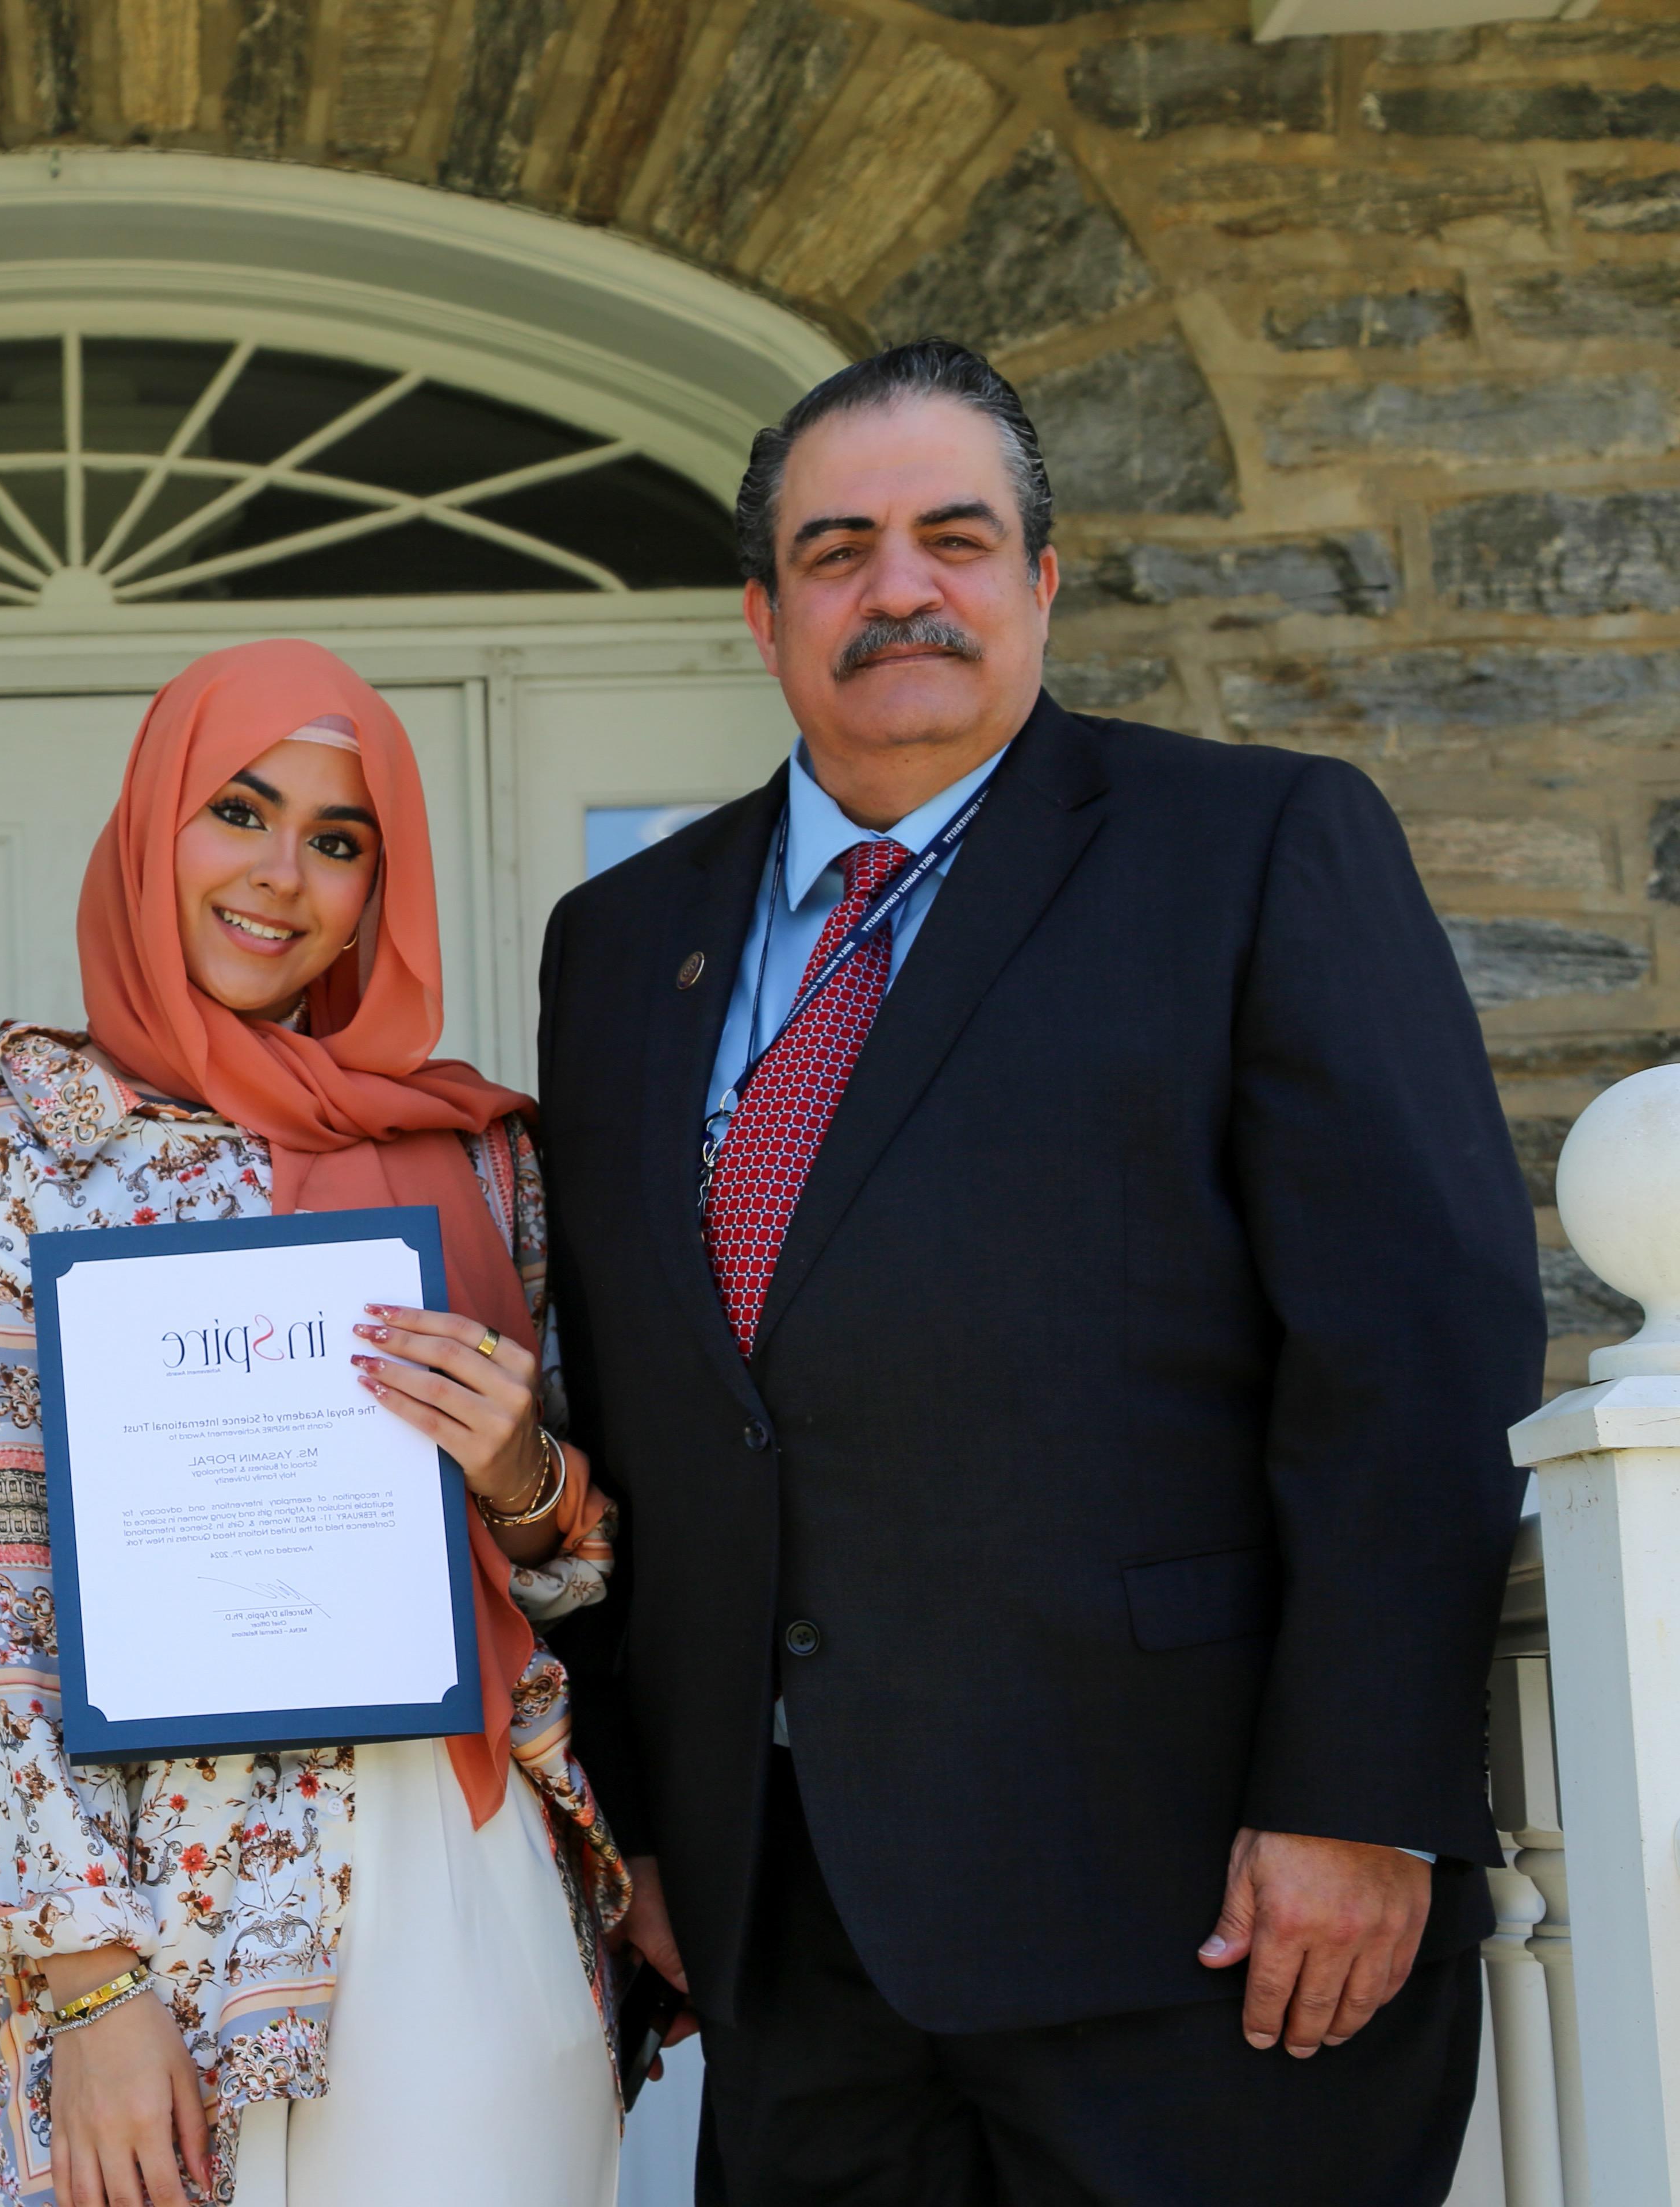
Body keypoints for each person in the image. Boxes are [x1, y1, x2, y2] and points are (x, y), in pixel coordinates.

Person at [535, 339, 1537, 2204]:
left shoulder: (1252, 850)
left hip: (1186, 1909)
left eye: (955, 537)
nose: (898, 586)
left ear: (1041, 583)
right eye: (837, 549)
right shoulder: (620, 945)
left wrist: (1360, 1797)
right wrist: (652, 1820)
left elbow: (1414, 1350)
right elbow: (637, 1408)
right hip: (797, 1935)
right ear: (764, 614)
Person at [0, 638, 629, 2207]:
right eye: (238, 810)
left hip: (455, 1847)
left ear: (381, 885)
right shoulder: (11, 1157)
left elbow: (576, 1567)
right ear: (154, 825)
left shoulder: (484, 1159)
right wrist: (88, 1982)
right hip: (155, 1898)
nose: (282, 874)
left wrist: (523, 1480)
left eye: (339, 839)